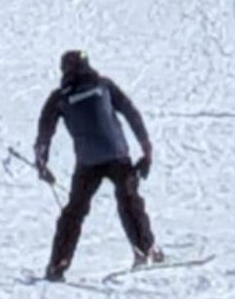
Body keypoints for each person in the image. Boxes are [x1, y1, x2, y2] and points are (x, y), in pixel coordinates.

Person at [34, 50, 161, 281]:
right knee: (129, 200)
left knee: (73, 212)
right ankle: (146, 250)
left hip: (87, 162)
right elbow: (131, 113)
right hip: (117, 155)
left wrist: (41, 163)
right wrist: (146, 149)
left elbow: (45, 131)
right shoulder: (103, 85)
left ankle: (57, 265)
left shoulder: (60, 97)